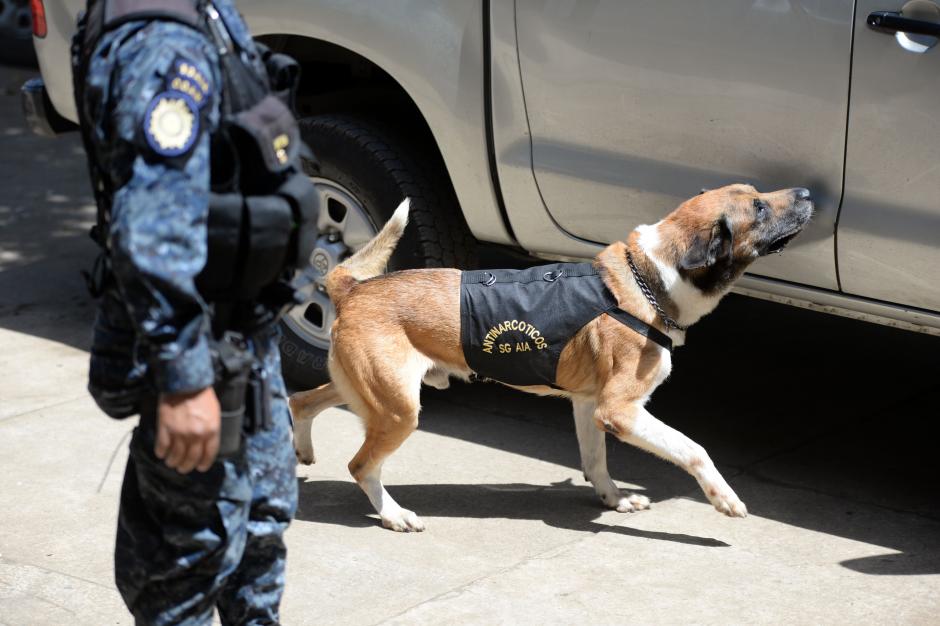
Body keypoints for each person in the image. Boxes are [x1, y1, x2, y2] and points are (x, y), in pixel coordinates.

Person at [71, 0, 317, 623]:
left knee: (260, 531)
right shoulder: (162, 43)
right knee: (187, 563)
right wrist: (184, 381)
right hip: (202, 349)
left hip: (244, 336)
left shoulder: (202, 11)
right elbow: (152, 228)